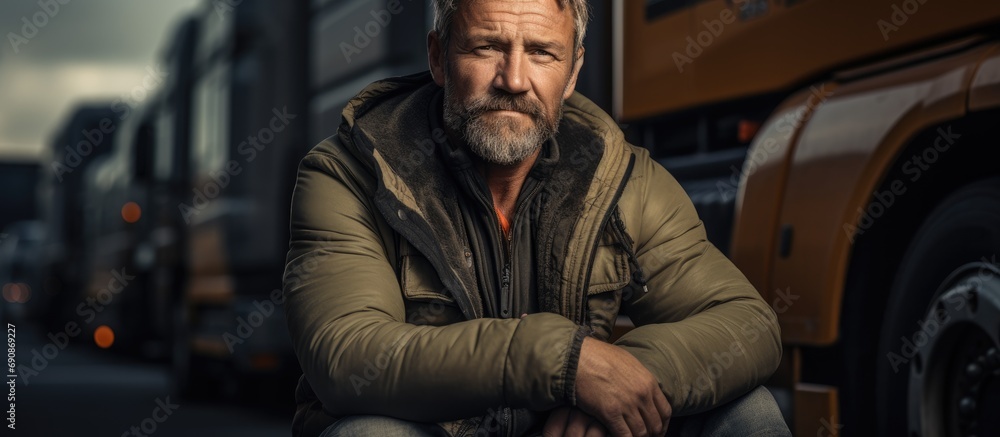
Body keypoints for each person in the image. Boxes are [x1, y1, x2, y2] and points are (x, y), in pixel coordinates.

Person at [282, 0, 790, 436]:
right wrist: (564, 363)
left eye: (542, 52)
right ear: (439, 57)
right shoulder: (349, 173)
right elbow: (347, 357)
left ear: (571, 73)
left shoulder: (622, 177)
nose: (514, 81)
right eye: (486, 47)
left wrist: (624, 379)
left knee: (749, 412)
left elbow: (748, 324)